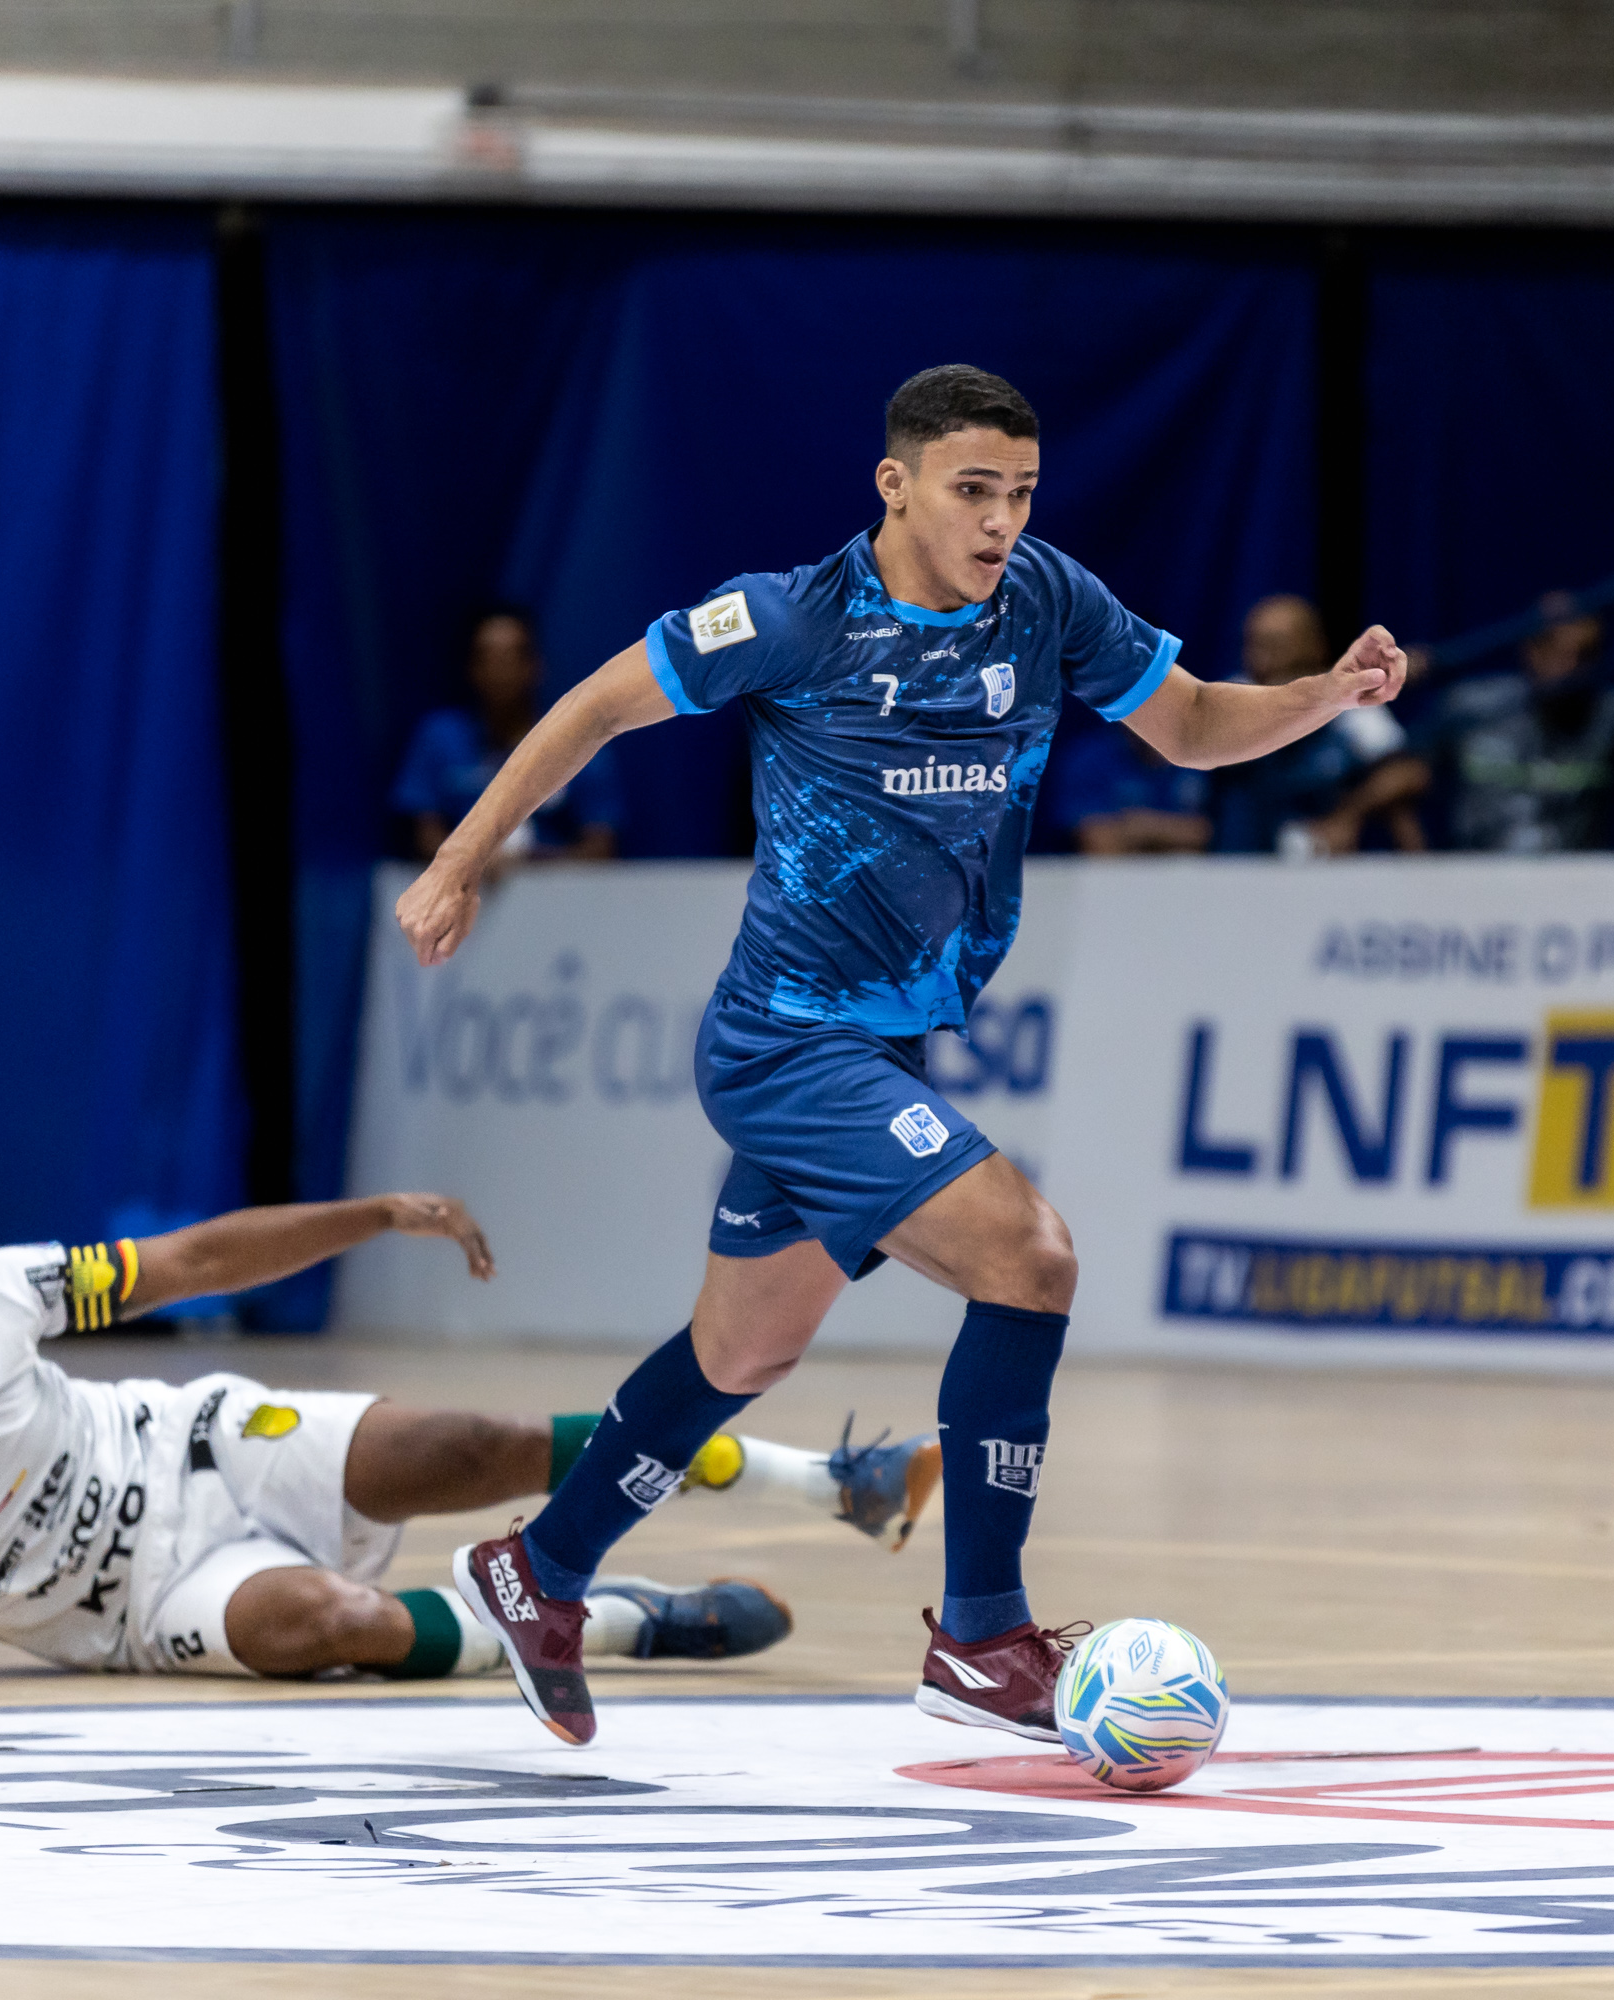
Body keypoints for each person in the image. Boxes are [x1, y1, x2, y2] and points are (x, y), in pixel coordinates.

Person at [395, 363, 1408, 1746]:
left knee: (744, 1352)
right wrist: (460, 865)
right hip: (786, 1044)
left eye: (1021, 493)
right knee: (1030, 1256)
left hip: (884, 1049)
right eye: (972, 491)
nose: (1000, 521)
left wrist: (1326, 695)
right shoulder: (794, 617)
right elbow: (591, 710)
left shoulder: (1049, 600)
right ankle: (982, 1636)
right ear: (898, 484)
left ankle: (538, 1569)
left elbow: (1190, 726)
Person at [0, 1195, 941, 1701]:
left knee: (473, 1442)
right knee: (334, 1625)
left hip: (200, 1447)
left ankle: (837, 1486)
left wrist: (371, 1217)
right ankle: (620, 1623)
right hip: (150, 1602)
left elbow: (193, 1261)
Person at [1386, 554, 1614, 853]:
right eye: (1558, 652)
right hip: (1475, 887)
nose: (1571, 666)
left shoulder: (1608, 712)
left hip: (1574, 892)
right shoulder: (1471, 706)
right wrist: (1420, 870)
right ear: (1530, 650)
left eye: (1585, 654)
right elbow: (1399, 777)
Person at [392, 607, 623, 864]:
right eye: (488, 658)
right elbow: (424, 836)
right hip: (467, 888)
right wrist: (473, 860)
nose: (500, 671)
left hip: (557, 892)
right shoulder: (439, 736)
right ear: (471, 668)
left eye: (510, 658)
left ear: (534, 666)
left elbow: (600, 846)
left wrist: (527, 865)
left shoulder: (580, 740)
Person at [1210, 593, 1426, 856]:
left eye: (1276, 646)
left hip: (1323, 854)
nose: (1262, 659)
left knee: (1399, 812)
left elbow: (1407, 773)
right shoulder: (1231, 695)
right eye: (1254, 645)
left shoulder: (1350, 703)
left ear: (1315, 646)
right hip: (1238, 858)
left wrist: (1346, 815)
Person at [1042, 722, 1214, 854]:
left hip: (1184, 882)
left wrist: (1137, 824)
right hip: (1104, 884)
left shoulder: (1195, 758)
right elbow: (1098, 842)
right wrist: (1169, 832)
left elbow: (1202, 834)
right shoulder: (1090, 760)